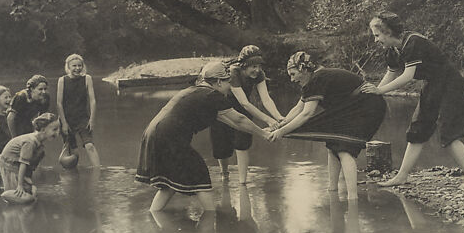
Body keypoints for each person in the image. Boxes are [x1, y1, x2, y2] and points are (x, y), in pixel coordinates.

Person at [360, 12, 464, 189]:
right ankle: (402, 176)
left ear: (388, 32)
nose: (376, 40)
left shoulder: (413, 42)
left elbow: (407, 76)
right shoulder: (392, 51)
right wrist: (375, 92)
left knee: (449, 130)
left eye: (377, 35)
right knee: (418, 128)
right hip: (432, 83)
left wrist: (380, 91)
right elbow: (391, 73)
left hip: (450, 83)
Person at [136, 61, 271, 212]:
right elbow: (239, 119)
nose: (230, 88)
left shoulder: (196, 91)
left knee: (168, 184)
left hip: (151, 135)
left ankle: (154, 216)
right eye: (228, 83)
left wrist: (264, 132)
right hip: (170, 139)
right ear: (219, 82)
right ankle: (210, 219)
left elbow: (234, 122)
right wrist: (264, 134)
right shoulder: (212, 96)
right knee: (201, 177)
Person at [268, 51, 386, 200]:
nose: (291, 79)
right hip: (350, 107)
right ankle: (332, 191)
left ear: (304, 70)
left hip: (367, 106)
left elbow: (307, 114)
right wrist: (280, 125)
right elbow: (298, 108)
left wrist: (281, 132)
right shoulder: (313, 79)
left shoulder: (317, 78)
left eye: (293, 74)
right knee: (333, 145)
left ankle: (352, 198)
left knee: (344, 149)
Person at [210, 45, 284, 184]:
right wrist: (268, 120)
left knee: (242, 144)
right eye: (253, 66)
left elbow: (266, 99)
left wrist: (278, 117)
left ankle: (242, 182)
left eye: (259, 66)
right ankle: (224, 175)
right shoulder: (233, 73)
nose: (257, 70)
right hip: (223, 108)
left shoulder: (259, 74)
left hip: (243, 108)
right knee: (221, 147)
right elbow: (244, 102)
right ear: (244, 65)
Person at [0, 113, 61, 199]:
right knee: (18, 194)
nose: (57, 133)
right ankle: (15, 189)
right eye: (54, 130)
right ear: (43, 130)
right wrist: (20, 185)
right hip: (9, 164)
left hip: (17, 163)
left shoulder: (39, 145)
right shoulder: (30, 143)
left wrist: (27, 178)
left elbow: (29, 163)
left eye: (58, 129)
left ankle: (25, 183)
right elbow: (23, 163)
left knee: (41, 153)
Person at [57, 53, 101, 167]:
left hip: (83, 118)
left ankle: (98, 172)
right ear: (68, 67)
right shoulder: (62, 80)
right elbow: (59, 103)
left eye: (79, 65)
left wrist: (92, 119)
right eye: (74, 66)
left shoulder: (87, 79)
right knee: (73, 153)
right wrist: (64, 123)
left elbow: (93, 101)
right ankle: (73, 177)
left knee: (89, 145)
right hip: (67, 119)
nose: (77, 68)